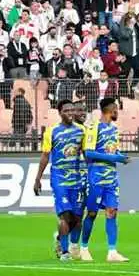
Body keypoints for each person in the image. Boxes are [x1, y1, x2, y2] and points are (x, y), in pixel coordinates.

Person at [33, 99, 86, 262]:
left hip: (77, 178)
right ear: (60, 113)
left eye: (72, 110)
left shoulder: (82, 130)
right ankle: (64, 252)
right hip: (60, 178)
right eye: (67, 111)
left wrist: (90, 174)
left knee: (77, 218)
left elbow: (86, 153)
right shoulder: (52, 131)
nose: (70, 113)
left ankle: (64, 241)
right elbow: (45, 156)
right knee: (65, 215)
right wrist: (38, 179)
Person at [79, 97, 130, 262]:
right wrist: (113, 158)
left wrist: (121, 157)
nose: (117, 112)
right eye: (116, 109)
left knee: (112, 212)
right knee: (92, 213)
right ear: (110, 109)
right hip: (96, 177)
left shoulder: (114, 130)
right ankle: (84, 248)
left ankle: (112, 251)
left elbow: (113, 152)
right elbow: (88, 153)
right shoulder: (93, 128)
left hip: (111, 178)